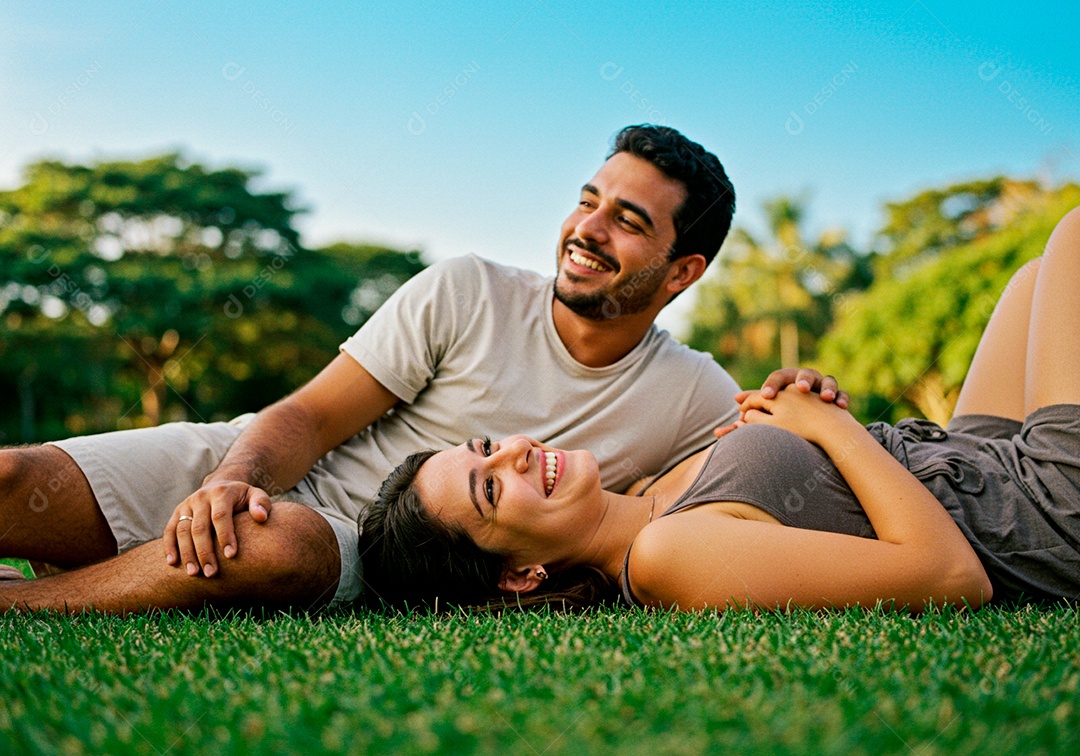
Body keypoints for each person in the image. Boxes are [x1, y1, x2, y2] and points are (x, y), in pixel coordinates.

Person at [0, 125, 842, 614]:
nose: (587, 230)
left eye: (627, 221)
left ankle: (24, 603)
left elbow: (760, 467)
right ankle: (110, 561)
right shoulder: (468, 290)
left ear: (683, 270)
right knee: (13, 480)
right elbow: (312, 417)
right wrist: (230, 480)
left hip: (359, 547)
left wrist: (808, 398)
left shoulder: (693, 392)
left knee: (272, 543)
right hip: (256, 460)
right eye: (588, 201)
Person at [358, 207, 1080, 613]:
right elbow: (949, 579)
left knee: (1032, 278)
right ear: (520, 576)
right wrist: (834, 431)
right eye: (490, 490)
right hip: (1038, 514)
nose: (514, 454)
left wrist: (804, 401)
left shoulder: (646, 486)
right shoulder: (664, 556)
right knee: (1072, 237)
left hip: (967, 460)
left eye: (486, 448)